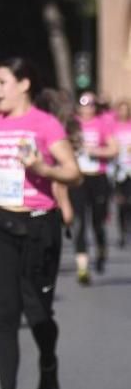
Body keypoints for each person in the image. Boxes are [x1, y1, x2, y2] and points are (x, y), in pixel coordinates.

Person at [0, 57, 79, 389]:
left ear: (24, 84)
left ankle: (48, 360)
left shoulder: (45, 123)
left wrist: (44, 170)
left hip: (39, 227)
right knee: (5, 313)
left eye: (1, 82)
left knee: (38, 313)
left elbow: (73, 172)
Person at [70, 90, 118, 283]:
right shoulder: (72, 124)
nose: (87, 108)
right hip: (78, 179)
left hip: (98, 178)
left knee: (97, 223)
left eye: (90, 104)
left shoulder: (102, 124)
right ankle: (82, 268)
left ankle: (101, 252)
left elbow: (114, 149)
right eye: (83, 104)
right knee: (79, 223)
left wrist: (95, 150)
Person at [112, 100, 131, 247]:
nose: (123, 113)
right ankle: (121, 232)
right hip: (119, 171)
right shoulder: (113, 127)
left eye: (126, 110)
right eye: (121, 109)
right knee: (121, 204)